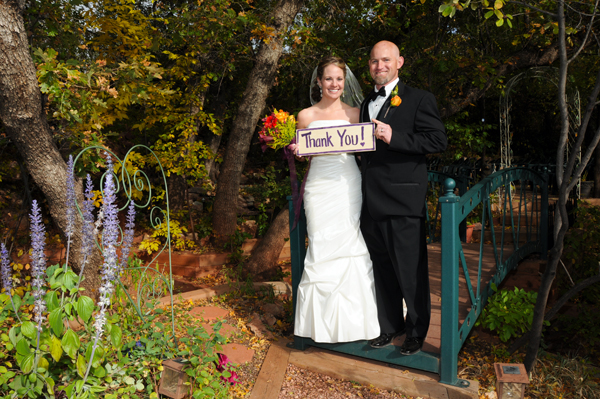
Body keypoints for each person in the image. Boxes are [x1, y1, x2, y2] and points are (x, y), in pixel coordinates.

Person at [359, 41, 447, 355]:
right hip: (371, 202)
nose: (379, 65)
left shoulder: (420, 99)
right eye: (374, 61)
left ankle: (416, 331)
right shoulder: (366, 102)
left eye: (386, 60)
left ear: (400, 62)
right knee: (382, 269)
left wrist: (394, 137)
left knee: (410, 271)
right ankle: (390, 326)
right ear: (369, 65)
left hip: (403, 201)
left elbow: (437, 139)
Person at [291, 56, 380, 343]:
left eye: (339, 79)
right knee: (321, 243)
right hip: (319, 186)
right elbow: (304, 153)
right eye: (328, 78)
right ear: (319, 82)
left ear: (345, 82)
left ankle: (357, 324)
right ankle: (318, 327)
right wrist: (297, 150)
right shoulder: (305, 116)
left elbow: (366, 149)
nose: (334, 84)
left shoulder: (356, 114)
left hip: (347, 184)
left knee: (350, 243)